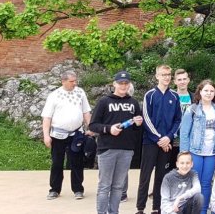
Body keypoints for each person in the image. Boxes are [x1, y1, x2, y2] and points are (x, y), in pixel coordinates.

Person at [89, 70, 143, 214]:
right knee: (104, 186)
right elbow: (93, 125)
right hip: (107, 149)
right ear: (114, 84)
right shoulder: (104, 101)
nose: (123, 86)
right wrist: (109, 129)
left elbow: (137, 129)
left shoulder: (133, 103)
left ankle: (114, 212)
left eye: (126, 83)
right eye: (120, 83)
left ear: (129, 84)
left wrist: (138, 124)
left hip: (126, 150)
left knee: (118, 186)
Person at [137, 65, 182, 214]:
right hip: (150, 142)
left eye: (168, 74)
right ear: (157, 76)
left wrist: (168, 137)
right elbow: (146, 118)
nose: (166, 77)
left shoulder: (174, 96)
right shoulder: (149, 95)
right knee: (145, 175)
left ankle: (157, 207)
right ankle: (140, 208)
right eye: (163, 74)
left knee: (161, 177)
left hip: (167, 143)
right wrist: (159, 139)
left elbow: (178, 120)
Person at [41, 69, 92, 200]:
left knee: (77, 162)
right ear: (63, 81)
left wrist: (90, 127)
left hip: (76, 133)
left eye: (75, 81)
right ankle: (54, 189)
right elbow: (47, 117)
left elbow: (86, 112)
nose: (74, 83)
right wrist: (46, 135)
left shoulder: (80, 93)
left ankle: (78, 189)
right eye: (71, 81)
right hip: (58, 134)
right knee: (57, 162)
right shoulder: (54, 95)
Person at [181, 79, 215, 214]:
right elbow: (184, 133)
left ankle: (203, 211)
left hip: (211, 153)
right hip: (195, 152)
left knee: (206, 183)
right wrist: (184, 154)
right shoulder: (192, 109)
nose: (209, 93)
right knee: (194, 183)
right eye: (206, 90)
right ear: (200, 91)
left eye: (212, 91)